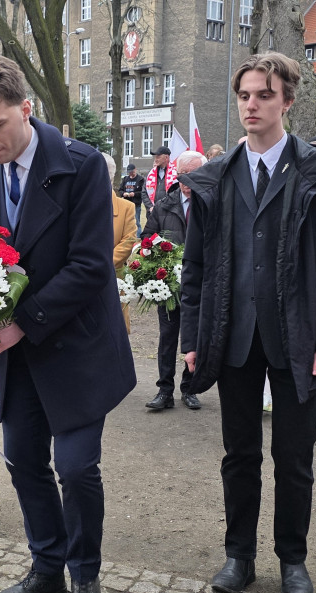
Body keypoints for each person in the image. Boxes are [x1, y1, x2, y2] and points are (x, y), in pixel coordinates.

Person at [0, 53, 136, 593]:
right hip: (16, 354)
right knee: (24, 458)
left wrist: (18, 324)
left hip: (74, 346)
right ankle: (46, 568)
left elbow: (89, 268)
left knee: (77, 468)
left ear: (25, 110)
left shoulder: (81, 166)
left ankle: (85, 577)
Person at [178, 52, 316, 593]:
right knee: (239, 455)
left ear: (287, 99)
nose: (251, 104)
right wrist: (192, 338)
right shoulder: (215, 178)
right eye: (244, 95)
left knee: (294, 457)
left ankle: (293, 559)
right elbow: (195, 270)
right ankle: (239, 555)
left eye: (263, 94)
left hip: (298, 338)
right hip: (233, 338)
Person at [141, 150, 205, 412]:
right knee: (167, 338)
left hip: (199, 286)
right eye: (184, 176)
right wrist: (160, 259)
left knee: (197, 338)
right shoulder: (164, 205)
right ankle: (164, 390)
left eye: (195, 175)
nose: (188, 182)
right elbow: (146, 238)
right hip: (169, 286)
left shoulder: (211, 204)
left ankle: (189, 388)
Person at [103, 152, 138, 333]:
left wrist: (101, 264)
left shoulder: (126, 207)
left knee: (116, 329)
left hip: (114, 277)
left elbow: (129, 240)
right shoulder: (78, 204)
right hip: (83, 277)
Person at [141, 145, 175, 214]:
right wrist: (150, 206)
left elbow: (176, 193)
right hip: (152, 213)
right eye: (155, 157)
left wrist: (164, 207)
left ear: (166, 157)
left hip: (168, 213)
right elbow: (144, 192)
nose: (156, 159)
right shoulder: (150, 174)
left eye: (158, 157)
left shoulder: (175, 173)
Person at [117, 163, 146, 236]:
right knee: (126, 222)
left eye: (132, 172)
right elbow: (120, 190)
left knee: (137, 222)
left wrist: (135, 194)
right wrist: (123, 193)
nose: (131, 174)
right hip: (126, 203)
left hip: (136, 204)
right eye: (129, 172)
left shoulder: (141, 179)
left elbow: (143, 192)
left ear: (135, 170)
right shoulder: (125, 179)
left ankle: (138, 236)